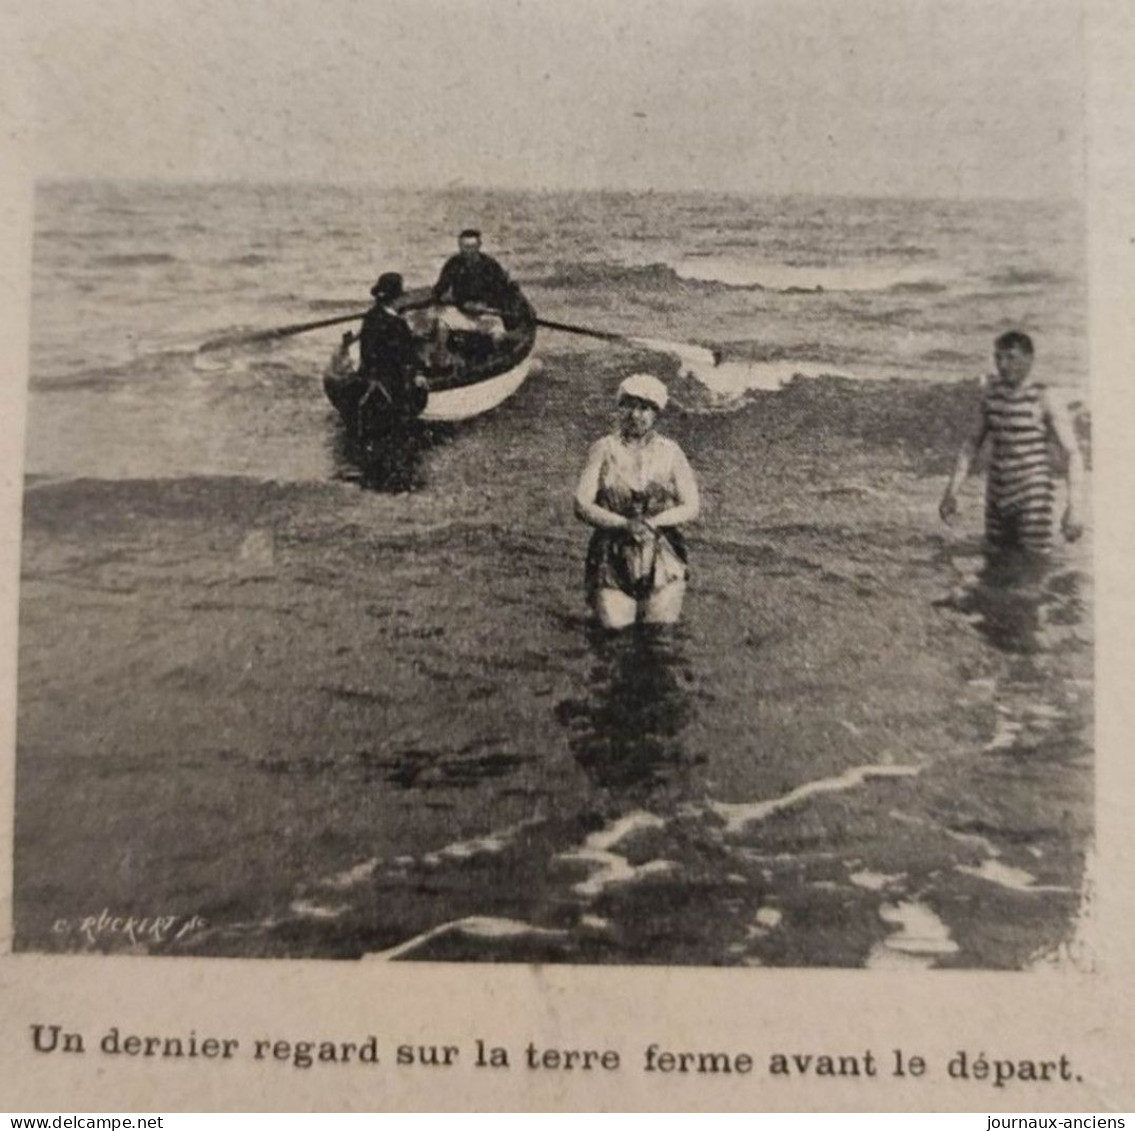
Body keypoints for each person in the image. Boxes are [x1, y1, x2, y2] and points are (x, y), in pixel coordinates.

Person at [575, 373, 700, 630]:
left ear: (656, 414)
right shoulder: (603, 449)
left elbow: (691, 505)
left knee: (659, 637)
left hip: (661, 553)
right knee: (613, 635)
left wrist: (655, 522)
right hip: (611, 550)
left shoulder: (671, 452)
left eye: (644, 408)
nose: (635, 415)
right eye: (629, 405)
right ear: (620, 408)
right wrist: (622, 523)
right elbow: (581, 503)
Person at [939, 330, 1083, 554]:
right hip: (997, 494)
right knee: (995, 561)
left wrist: (1074, 507)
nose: (1003, 365)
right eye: (998, 358)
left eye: (1011, 358)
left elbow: (1072, 453)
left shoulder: (1045, 398)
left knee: (1033, 562)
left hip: (1033, 495)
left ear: (1029, 359)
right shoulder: (991, 396)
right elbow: (971, 444)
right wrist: (951, 491)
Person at [430, 229, 530, 346]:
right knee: (442, 324)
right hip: (462, 313)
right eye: (465, 247)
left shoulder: (490, 266)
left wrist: (484, 304)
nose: (468, 251)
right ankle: (441, 354)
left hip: (486, 315)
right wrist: (444, 298)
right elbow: (440, 288)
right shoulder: (453, 264)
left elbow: (503, 292)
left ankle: (494, 357)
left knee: (498, 335)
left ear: (478, 246)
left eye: (472, 247)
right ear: (460, 247)